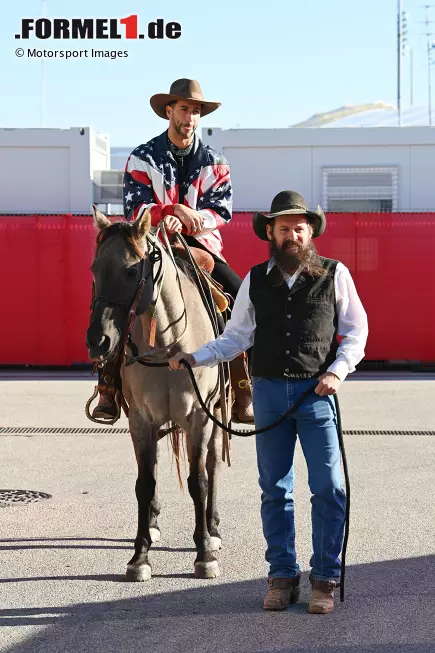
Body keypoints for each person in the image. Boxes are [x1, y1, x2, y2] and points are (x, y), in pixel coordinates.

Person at [168, 190, 368, 614]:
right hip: (270, 393)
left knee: (329, 488)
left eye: (298, 227)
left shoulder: (335, 274)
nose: (291, 234)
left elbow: (356, 332)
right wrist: (195, 356)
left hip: (318, 394)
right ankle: (281, 577)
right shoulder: (257, 279)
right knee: (275, 490)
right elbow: (237, 336)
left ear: (310, 231)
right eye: (283, 228)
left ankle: (324, 580)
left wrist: (338, 371)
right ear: (271, 235)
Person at [91, 79, 253, 423]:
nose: (190, 117)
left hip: (200, 247)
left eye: (196, 111)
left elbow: (221, 211)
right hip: (151, 244)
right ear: (169, 111)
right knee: (115, 292)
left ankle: (242, 387)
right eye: (184, 109)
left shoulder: (215, 161)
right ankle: (108, 385)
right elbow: (135, 210)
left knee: (242, 299)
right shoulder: (142, 156)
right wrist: (170, 213)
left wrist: (191, 221)